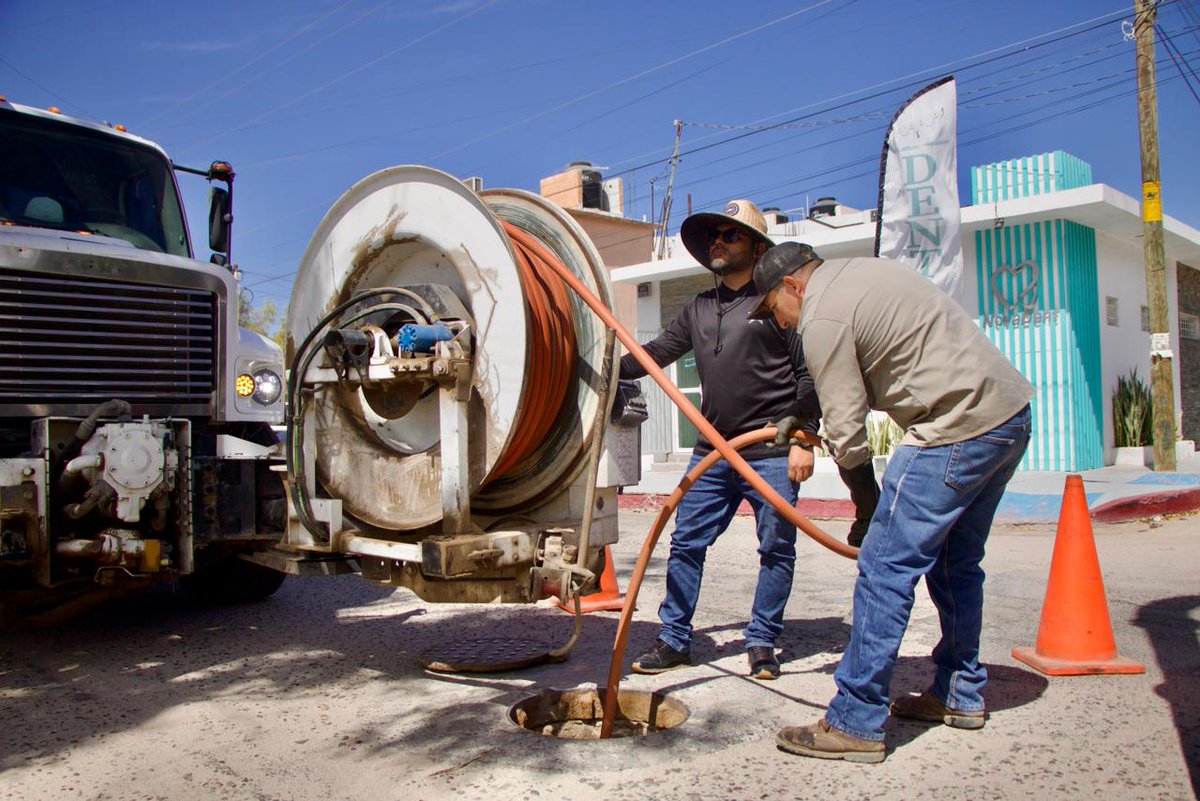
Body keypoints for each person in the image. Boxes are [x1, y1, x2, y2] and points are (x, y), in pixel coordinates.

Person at [748, 242, 1034, 762]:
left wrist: (867, 507)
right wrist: (800, 410)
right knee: (955, 564)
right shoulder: (863, 272)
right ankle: (959, 693)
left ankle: (855, 721)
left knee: (884, 567)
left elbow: (849, 431)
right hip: (1007, 419)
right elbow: (864, 361)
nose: (782, 324)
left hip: (954, 428)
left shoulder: (820, 314)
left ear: (792, 286)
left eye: (774, 310)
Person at [623, 199, 863, 681]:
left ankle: (762, 642)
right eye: (713, 235)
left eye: (729, 235)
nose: (717, 241)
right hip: (712, 451)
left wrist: (803, 435)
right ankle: (673, 639)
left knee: (775, 548)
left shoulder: (779, 304)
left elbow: (809, 375)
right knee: (686, 542)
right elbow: (649, 358)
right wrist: (590, 363)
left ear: (756, 248)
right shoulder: (698, 308)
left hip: (771, 450)